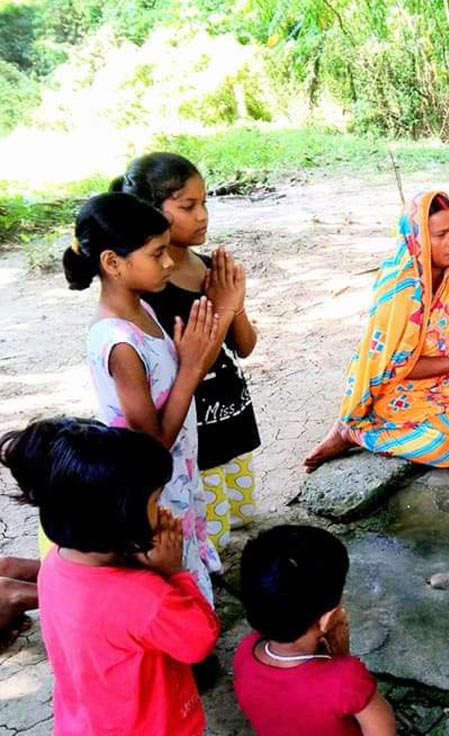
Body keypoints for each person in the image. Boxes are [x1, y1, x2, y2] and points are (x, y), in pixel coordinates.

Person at [0, 417, 220, 735]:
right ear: (120, 517)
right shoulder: (146, 595)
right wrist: (174, 573)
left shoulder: (55, 564)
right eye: (155, 500)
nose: (162, 512)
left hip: (84, 723)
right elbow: (199, 642)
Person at [62, 192, 222, 603]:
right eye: (157, 254)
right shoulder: (120, 343)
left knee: (188, 542)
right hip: (153, 485)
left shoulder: (141, 310)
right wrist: (191, 370)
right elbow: (148, 448)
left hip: (177, 473)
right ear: (113, 263)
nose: (170, 262)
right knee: (170, 567)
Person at [304, 191, 449, 471]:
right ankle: (354, 432)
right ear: (417, 238)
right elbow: (395, 368)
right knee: (445, 444)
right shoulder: (402, 291)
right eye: (440, 234)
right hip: (400, 389)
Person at [115, 152, 260, 552]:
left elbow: (244, 346)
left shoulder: (211, 267)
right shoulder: (150, 288)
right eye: (188, 206)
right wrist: (226, 306)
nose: (203, 215)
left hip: (229, 416)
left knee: (237, 517)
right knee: (204, 532)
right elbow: (192, 362)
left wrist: (236, 302)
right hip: (194, 434)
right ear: (151, 211)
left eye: (205, 202)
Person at [233, 525, 396, 736]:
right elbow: (383, 731)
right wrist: (342, 658)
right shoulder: (348, 680)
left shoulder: (245, 652)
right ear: (328, 619)